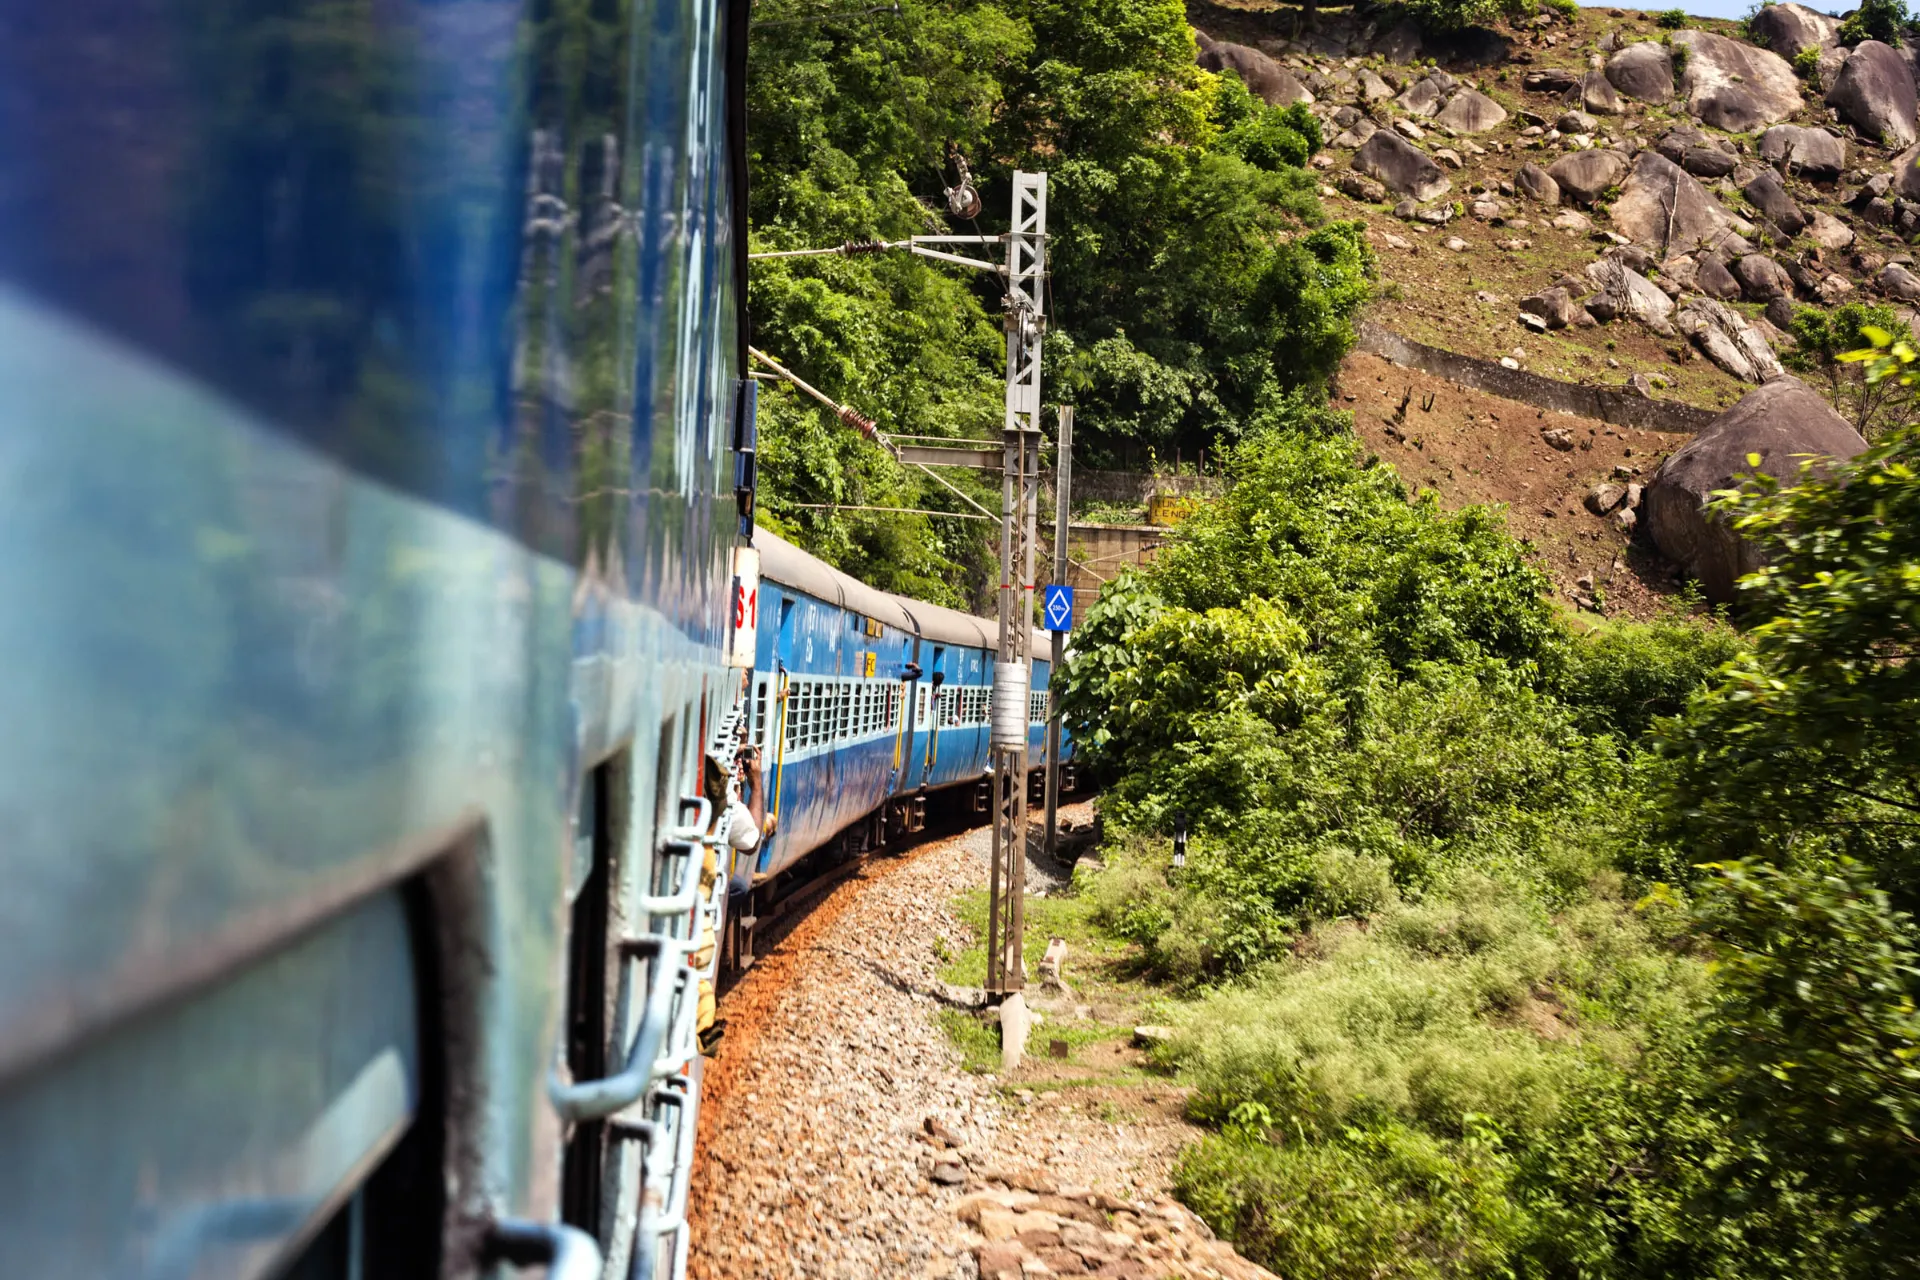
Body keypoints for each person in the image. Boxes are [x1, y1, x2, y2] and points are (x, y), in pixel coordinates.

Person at [690, 745, 772, 1045]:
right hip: (696, 896)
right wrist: (755, 783)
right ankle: (702, 1036)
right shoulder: (720, 791)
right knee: (736, 888)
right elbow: (751, 841)